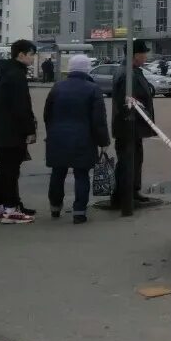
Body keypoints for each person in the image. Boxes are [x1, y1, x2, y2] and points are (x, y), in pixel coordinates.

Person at [44, 54, 111, 224]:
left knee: (58, 173)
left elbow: (47, 114)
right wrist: (103, 142)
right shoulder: (92, 88)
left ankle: (55, 207)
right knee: (81, 175)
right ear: (87, 68)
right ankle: (79, 212)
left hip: (57, 138)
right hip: (84, 139)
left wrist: (52, 132)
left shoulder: (57, 87)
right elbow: (99, 120)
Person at [0, 40, 39, 224]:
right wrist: (29, 130)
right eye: (31, 54)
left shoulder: (4, 73)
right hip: (13, 131)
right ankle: (10, 209)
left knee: (3, 169)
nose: (33, 58)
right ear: (21, 55)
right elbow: (21, 107)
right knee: (10, 170)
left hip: (2, 129)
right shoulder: (17, 76)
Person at [111, 39, 157, 217]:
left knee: (135, 160)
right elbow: (127, 102)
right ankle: (123, 196)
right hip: (128, 127)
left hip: (135, 127)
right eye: (143, 53)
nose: (146, 56)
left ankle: (133, 191)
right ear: (135, 55)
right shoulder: (126, 74)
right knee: (127, 162)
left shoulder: (133, 72)